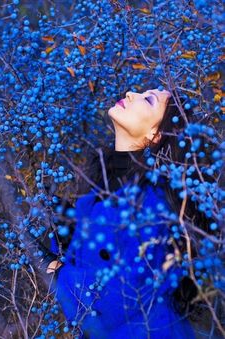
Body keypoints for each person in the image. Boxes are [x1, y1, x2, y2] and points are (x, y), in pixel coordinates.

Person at [35, 88, 214, 338]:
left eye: (149, 100)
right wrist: (66, 236)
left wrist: (56, 268)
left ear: (156, 134)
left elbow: (115, 300)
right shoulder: (103, 182)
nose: (131, 93)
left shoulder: (155, 200)